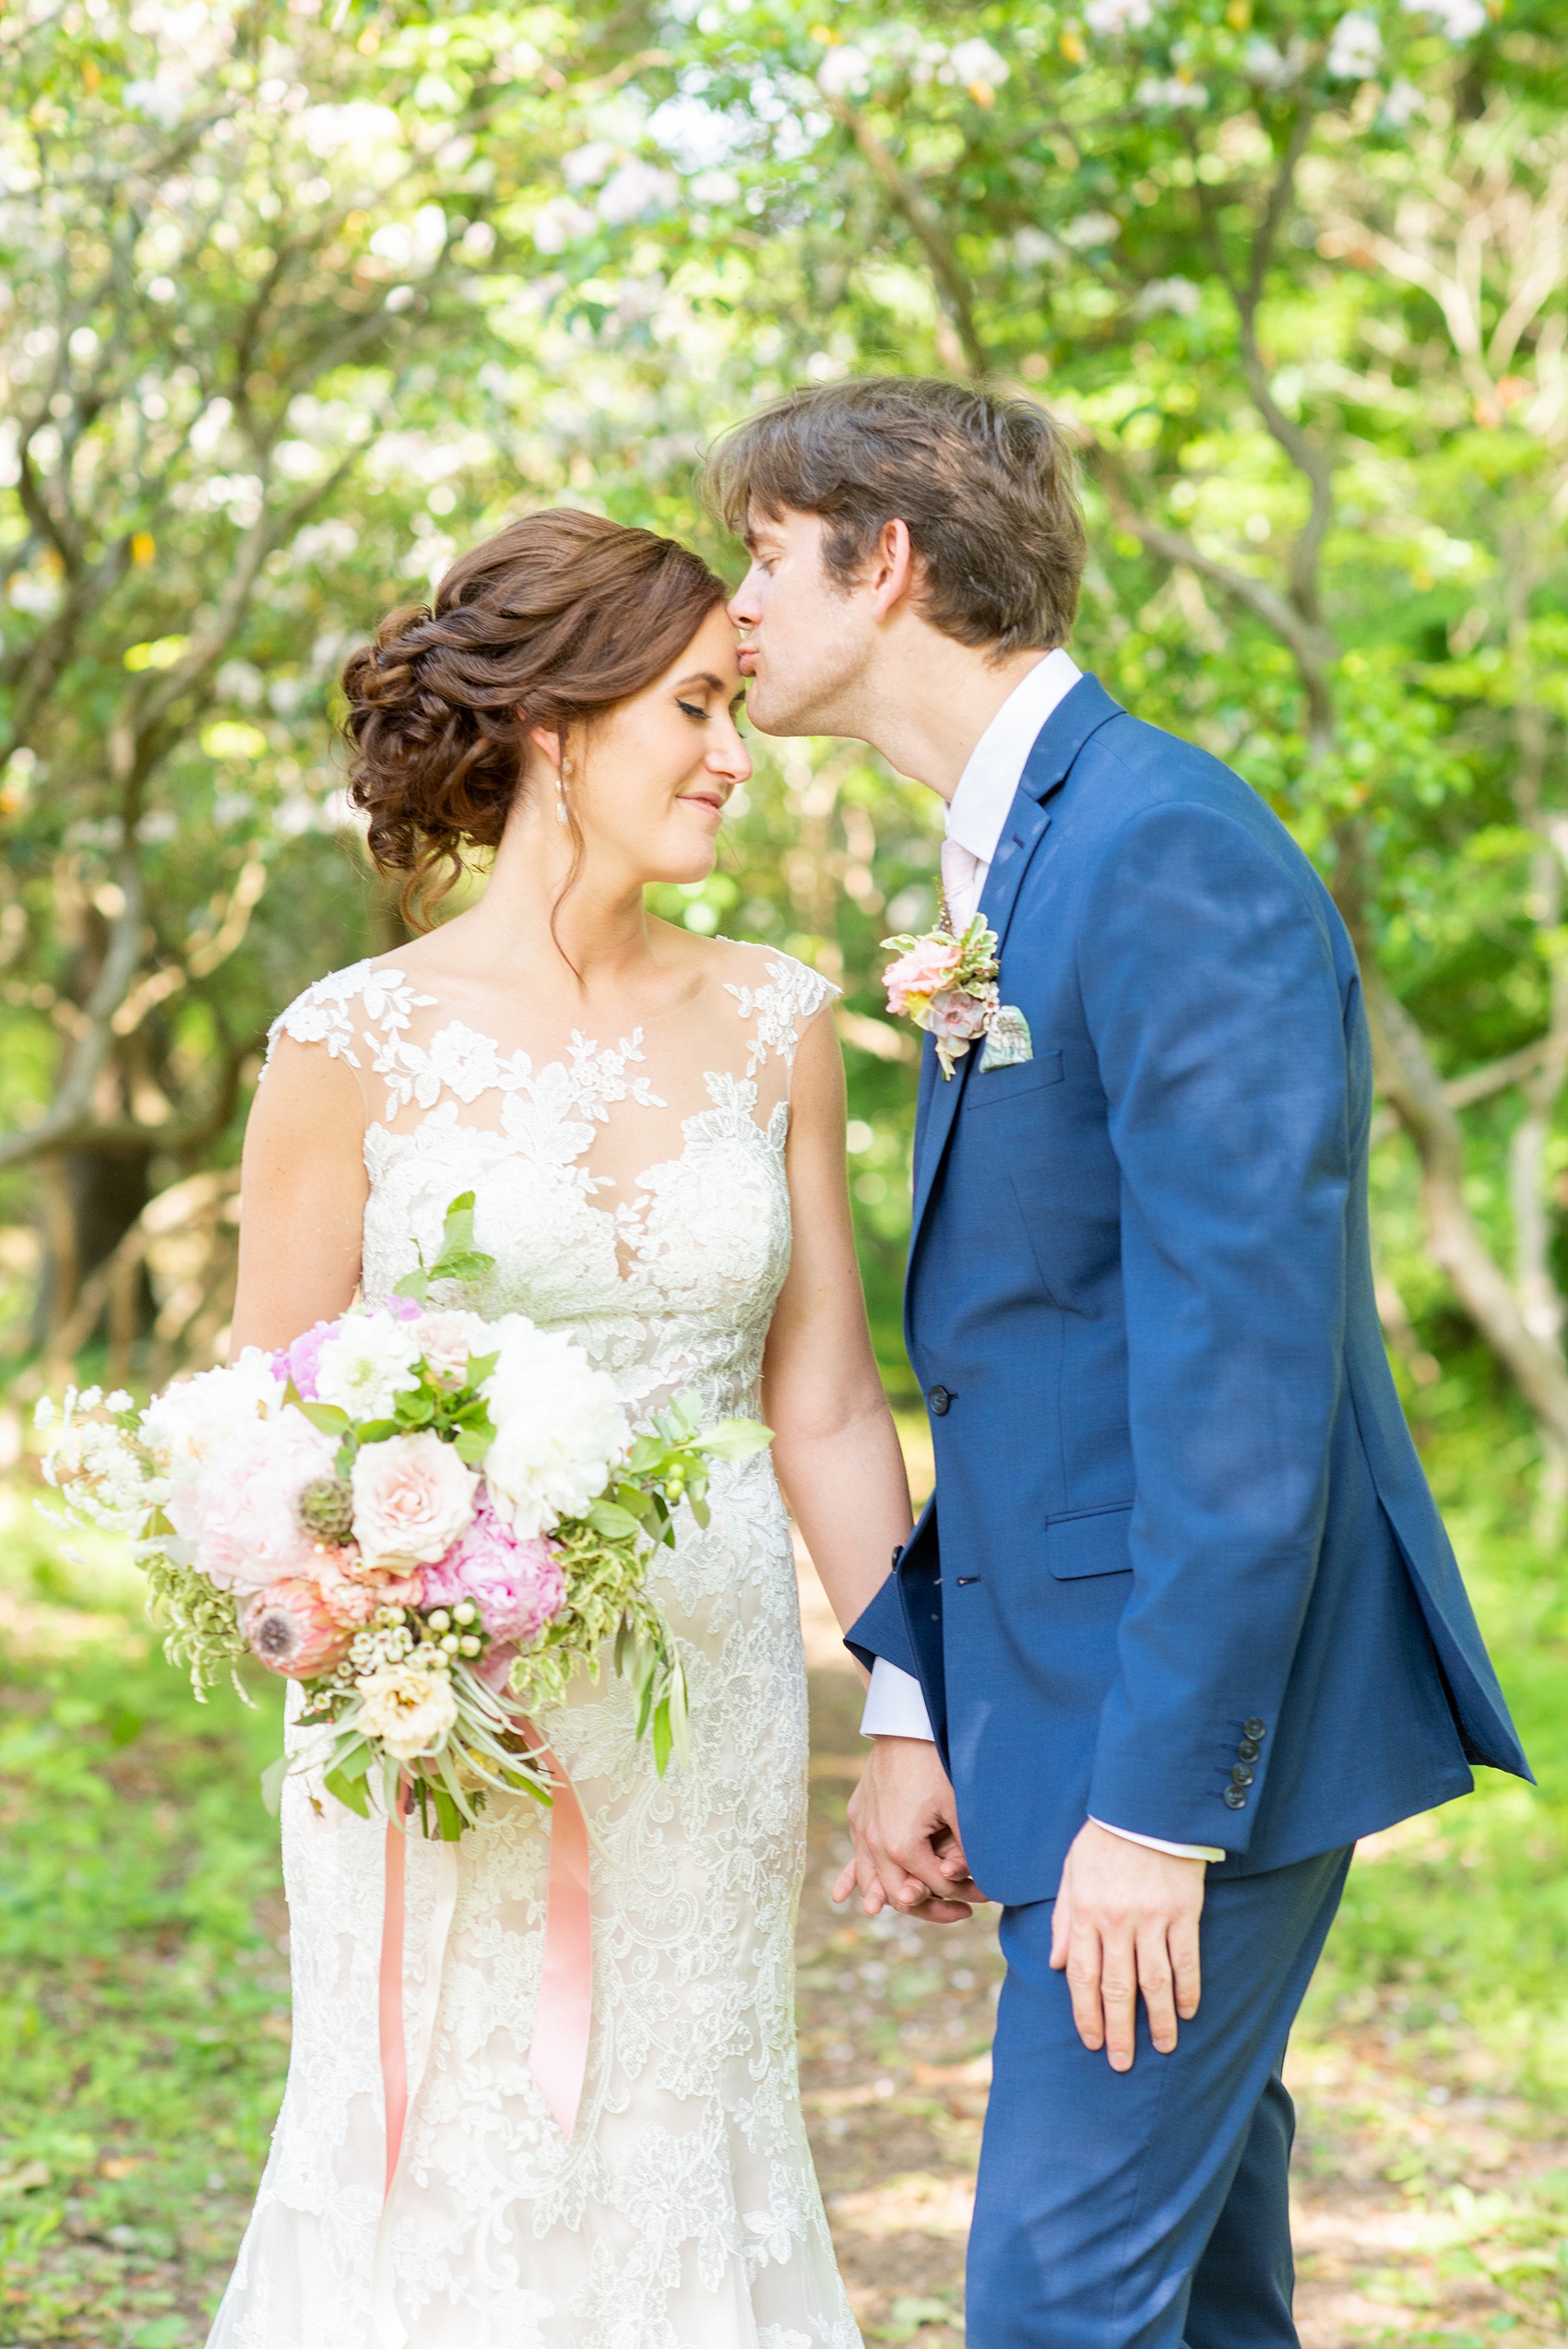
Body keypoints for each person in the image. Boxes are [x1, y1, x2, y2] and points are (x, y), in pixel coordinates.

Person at [710, 375, 1531, 2349]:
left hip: (1190, 1738)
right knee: (1199, 2294)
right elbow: (1040, 1355)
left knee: (1057, 2306)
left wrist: (1155, 1814)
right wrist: (921, 1688)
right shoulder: (1025, 853)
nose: (732, 614)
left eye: (758, 557)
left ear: (881, 558)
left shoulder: (1162, 850)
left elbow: (1242, 1389)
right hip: (1070, 1697)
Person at [207, 508, 907, 2349]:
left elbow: (823, 1396)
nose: (734, 758)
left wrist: (916, 1702)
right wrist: (378, 1616)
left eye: (737, 705)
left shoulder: (779, 1022)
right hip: (436, 1723)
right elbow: (259, 1422)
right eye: (694, 707)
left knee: (683, 2131)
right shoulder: (346, 1041)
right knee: (439, 2146)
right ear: (555, 724)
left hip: (708, 1710)